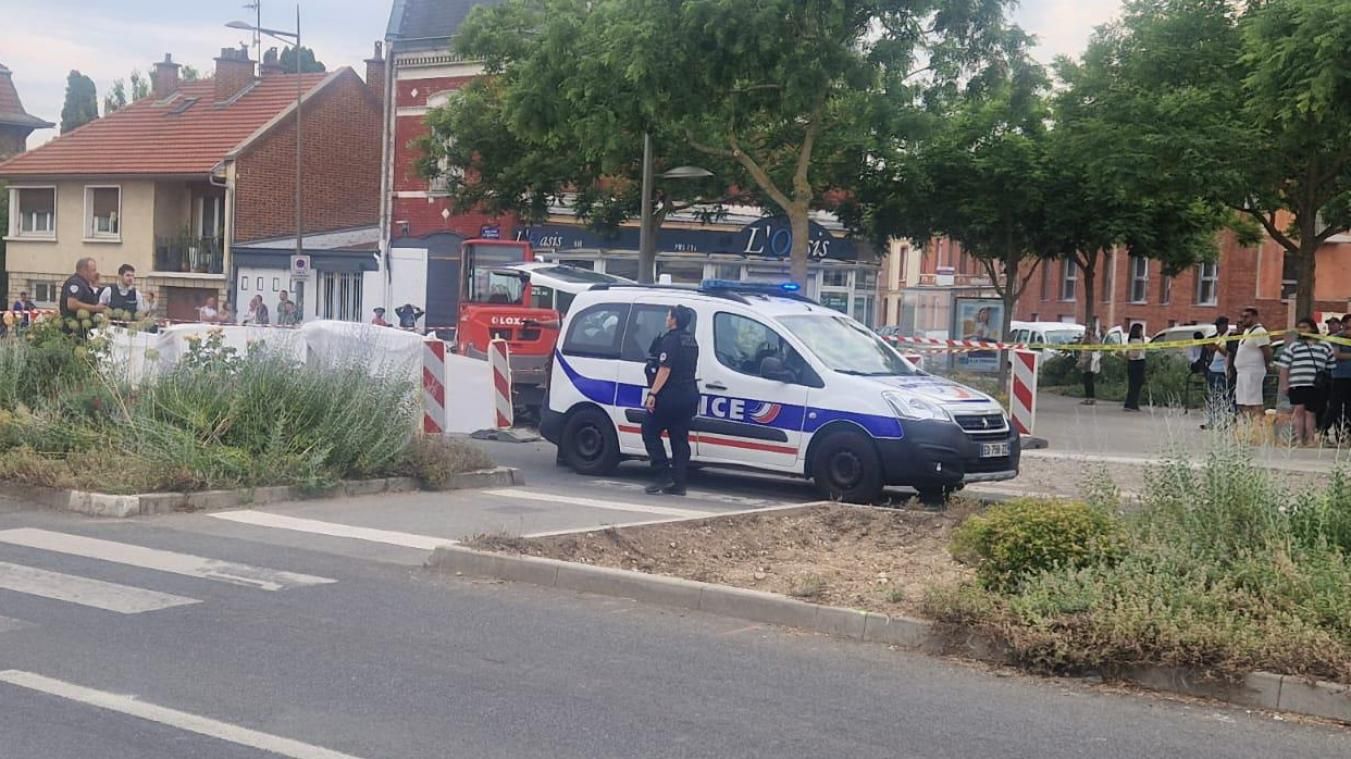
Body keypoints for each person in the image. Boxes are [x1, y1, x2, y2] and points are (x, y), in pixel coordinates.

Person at [641, 305, 700, 496]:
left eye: (668, 316)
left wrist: (653, 394)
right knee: (679, 439)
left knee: (649, 429)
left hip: (670, 396)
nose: (666, 318)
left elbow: (664, 370)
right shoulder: (691, 340)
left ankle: (662, 474)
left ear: (674, 319)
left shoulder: (670, 341)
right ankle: (679, 483)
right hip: (689, 395)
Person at [1276, 317, 1336, 447]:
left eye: (1305, 327)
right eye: (1300, 328)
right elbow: (1284, 366)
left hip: (1315, 385)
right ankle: (1298, 439)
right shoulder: (1294, 346)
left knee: (1311, 412)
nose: (1302, 331)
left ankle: (1310, 439)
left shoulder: (1325, 346)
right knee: (1298, 410)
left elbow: (1331, 366)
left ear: (1312, 328)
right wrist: (1285, 384)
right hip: (1297, 383)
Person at [1233, 306, 1272, 418]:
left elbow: (1267, 351)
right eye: (1242, 317)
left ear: (1255, 317)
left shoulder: (1260, 331)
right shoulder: (1246, 331)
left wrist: (1268, 365)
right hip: (1242, 372)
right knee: (1243, 402)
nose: (1243, 319)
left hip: (1253, 372)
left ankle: (1259, 427)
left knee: (1254, 402)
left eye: (1246, 317)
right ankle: (1248, 427)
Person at [60, 257, 108, 333]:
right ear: (84, 271)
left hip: (84, 329)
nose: (96, 273)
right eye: (93, 270)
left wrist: (95, 286)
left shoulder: (85, 284)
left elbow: (89, 300)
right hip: (74, 330)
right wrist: (95, 308)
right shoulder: (75, 282)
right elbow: (72, 304)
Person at [1200, 316, 1232, 429]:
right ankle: (1212, 421)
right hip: (1213, 368)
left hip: (1222, 370)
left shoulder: (1230, 337)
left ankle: (1224, 421)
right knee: (1212, 397)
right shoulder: (1217, 336)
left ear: (1225, 325)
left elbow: (1228, 353)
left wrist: (1217, 347)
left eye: (1219, 326)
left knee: (1222, 397)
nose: (1217, 328)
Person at [1123, 323, 1146, 412]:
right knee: (1136, 385)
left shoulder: (1130, 340)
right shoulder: (1138, 341)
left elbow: (1127, 353)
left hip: (1131, 363)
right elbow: (1138, 354)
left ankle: (1129, 403)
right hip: (1138, 363)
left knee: (1132, 385)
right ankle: (1133, 404)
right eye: (1141, 330)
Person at [1077, 330, 1101, 406]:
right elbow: (1080, 346)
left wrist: (1091, 338)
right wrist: (1085, 338)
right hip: (1084, 360)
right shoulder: (1084, 338)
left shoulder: (1095, 338)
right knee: (1086, 380)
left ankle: (1091, 398)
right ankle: (1087, 398)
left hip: (1091, 361)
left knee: (1089, 380)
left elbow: (1096, 347)